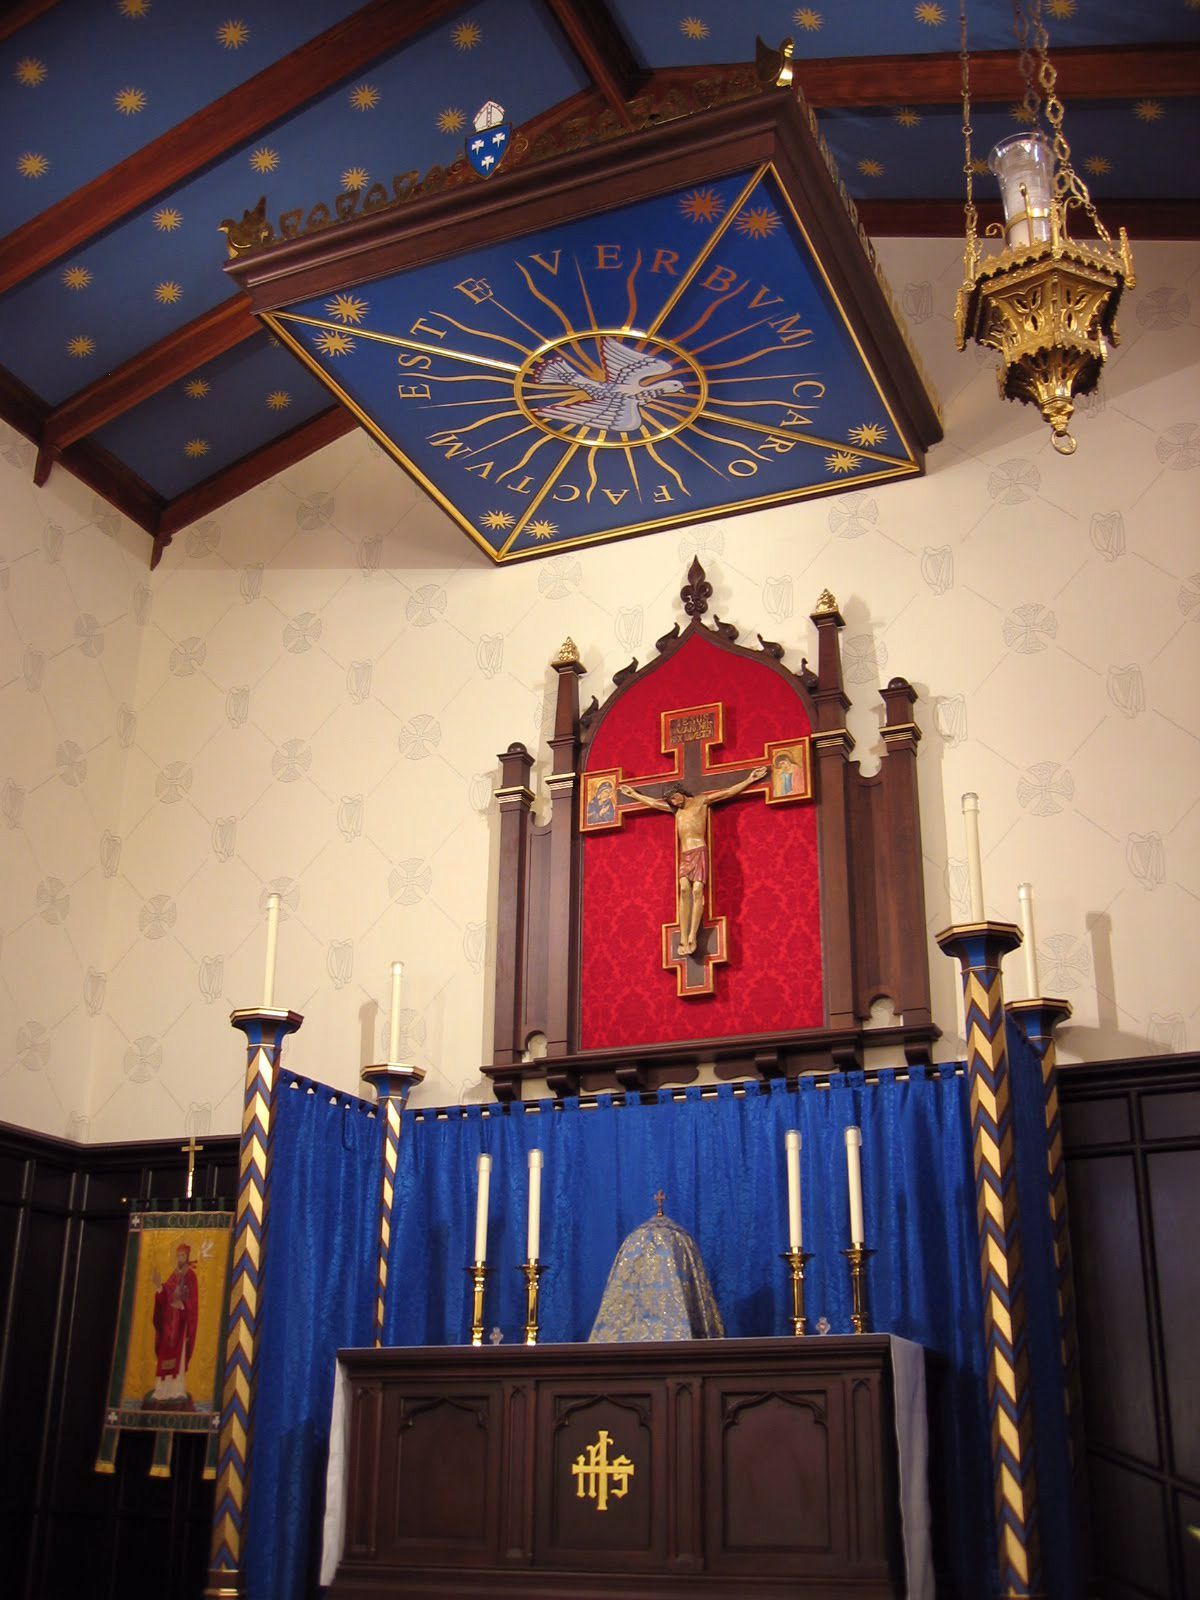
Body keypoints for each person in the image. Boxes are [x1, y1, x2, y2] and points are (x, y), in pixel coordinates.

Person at [618, 768, 767, 956]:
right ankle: (682, 936)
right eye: (671, 801)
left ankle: (692, 937)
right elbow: (653, 803)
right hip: (685, 854)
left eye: (674, 798)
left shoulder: (701, 802)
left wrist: (749, 780)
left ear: (681, 792)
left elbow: (728, 792)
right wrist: (633, 795)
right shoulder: (676, 811)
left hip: (699, 851)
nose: (674, 802)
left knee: (697, 891)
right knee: (683, 890)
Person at [150, 1242, 199, 1404]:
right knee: (164, 1356)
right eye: (178, 1255)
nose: (180, 1258)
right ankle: (161, 1391)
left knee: (179, 1357)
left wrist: (183, 1306)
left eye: (182, 1255)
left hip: (181, 1325)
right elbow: (166, 1293)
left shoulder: (190, 1276)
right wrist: (159, 1287)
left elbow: (193, 1301)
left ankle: (177, 1390)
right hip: (169, 1324)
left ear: (187, 1257)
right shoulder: (174, 1275)